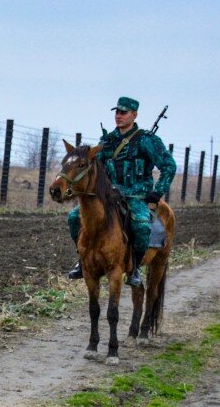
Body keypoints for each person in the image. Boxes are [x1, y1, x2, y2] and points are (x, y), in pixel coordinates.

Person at [66, 96, 176, 287]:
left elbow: (169, 165)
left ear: (134, 115)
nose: (118, 116)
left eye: (123, 112)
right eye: (117, 112)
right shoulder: (107, 141)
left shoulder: (147, 141)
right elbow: (92, 166)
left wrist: (157, 192)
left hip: (136, 195)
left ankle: (135, 269)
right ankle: (83, 261)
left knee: (142, 226)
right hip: (109, 195)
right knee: (74, 217)